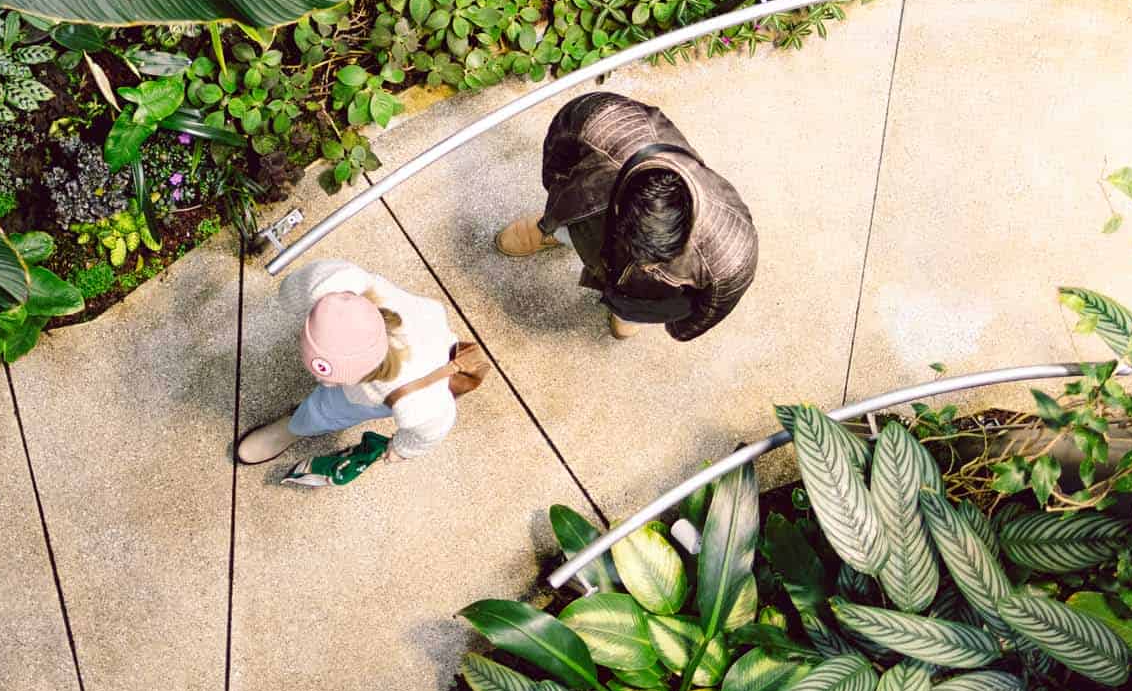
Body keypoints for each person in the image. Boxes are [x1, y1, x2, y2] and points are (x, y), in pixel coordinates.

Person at [496, 91, 757, 341]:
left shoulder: (732, 253)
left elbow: (710, 310)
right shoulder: (603, 122)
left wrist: (675, 326)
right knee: (574, 229)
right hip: (592, 217)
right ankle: (555, 233)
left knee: (634, 311)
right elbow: (559, 148)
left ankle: (628, 314)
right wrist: (556, 195)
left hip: (646, 293)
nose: (644, 266)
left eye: (659, 261)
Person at [235, 260, 461, 467]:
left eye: (331, 378)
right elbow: (301, 284)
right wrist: (293, 299)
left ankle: (296, 426)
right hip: (421, 322)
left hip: (412, 371)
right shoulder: (332, 284)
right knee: (333, 396)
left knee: (331, 409)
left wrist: (403, 448)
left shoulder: (415, 400)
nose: (319, 380)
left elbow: (435, 427)